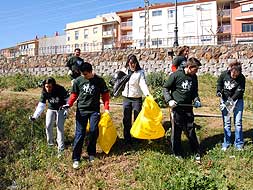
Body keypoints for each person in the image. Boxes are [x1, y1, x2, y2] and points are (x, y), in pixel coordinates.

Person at [62, 62, 110, 169]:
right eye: (82, 74)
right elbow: (74, 95)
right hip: (81, 110)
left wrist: (106, 108)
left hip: (94, 111)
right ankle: (76, 158)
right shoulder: (78, 81)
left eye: (86, 74)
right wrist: (68, 104)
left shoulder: (99, 81)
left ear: (91, 71)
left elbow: (105, 95)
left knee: (93, 131)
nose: (84, 76)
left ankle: (91, 153)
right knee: (80, 134)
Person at [163, 57, 202, 162]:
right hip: (176, 109)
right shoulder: (176, 75)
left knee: (190, 130)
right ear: (189, 67)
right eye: (196, 69)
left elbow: (194, 92)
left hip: (188, 108)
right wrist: (169, 100)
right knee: (176, 131)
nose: (197, 71)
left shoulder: (194, 77)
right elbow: (165, 88)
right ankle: (177, 153)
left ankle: (196, 151)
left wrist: (196, 100)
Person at [29, 77, 69, 157]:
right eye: (46, 86)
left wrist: (66, 110)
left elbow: (68, 99)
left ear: (53, 85)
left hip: (61, 108)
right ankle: (50, 146)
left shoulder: (60, 89)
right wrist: (35, 116)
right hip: (51, 109)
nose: (48, 88)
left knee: (60, 127)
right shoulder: (44, 91)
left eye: (50, 87)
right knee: (48, 126)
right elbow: (41, 105)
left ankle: (60, 150)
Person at [120, 54, 150, 144]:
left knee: (137, 119)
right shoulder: (123, 71)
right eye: (130, 63)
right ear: (128, 63)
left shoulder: (140, 72)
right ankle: (127, 139)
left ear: (136, 63)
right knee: (126, 119)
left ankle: (138, 138)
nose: (132, 65)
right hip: (126, 98)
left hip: (137, 99)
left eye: (134, 63)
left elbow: (143, 84)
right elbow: (118, 82)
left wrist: (148, 94)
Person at [216, 61, 245, 151]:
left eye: (236, 76)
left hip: (237, 100)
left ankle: (239, 143)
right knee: (226, 123)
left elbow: (239, 92)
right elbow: (219, 84)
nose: (234, 77)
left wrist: (229, 102)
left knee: (238, 123)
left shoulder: (242, 78)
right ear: (230, 70)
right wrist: (219, 91)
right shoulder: (224, 74)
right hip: (225, 99)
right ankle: (227, 142)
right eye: (233, 75)